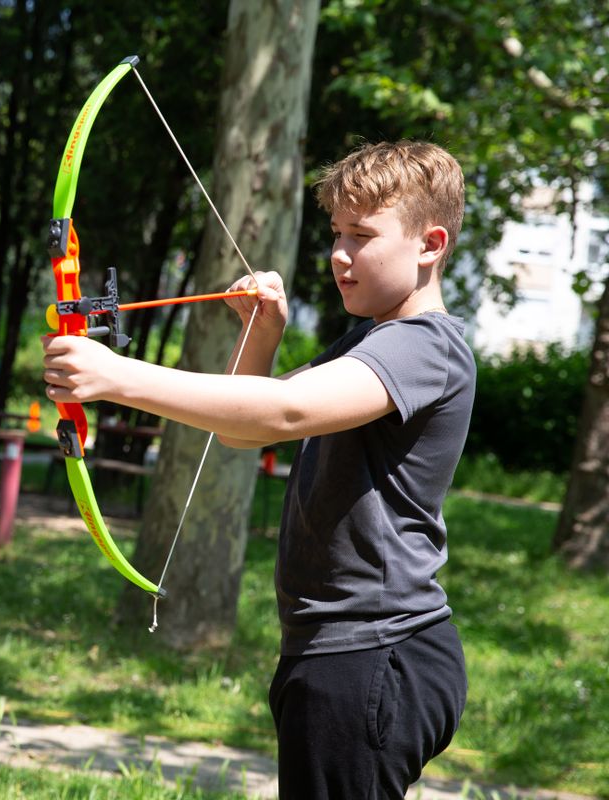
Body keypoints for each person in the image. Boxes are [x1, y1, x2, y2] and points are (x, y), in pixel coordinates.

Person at [43, 140, 472, 798]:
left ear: (430, 244)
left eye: (362, 235)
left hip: (377, 653)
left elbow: (288, 412)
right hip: (336, 649)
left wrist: (116, 377)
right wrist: (262, 337)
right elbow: (243, 429)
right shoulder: (369, 340)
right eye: (336, 233)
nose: (339, 253)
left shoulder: (426, 346)